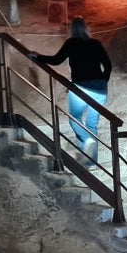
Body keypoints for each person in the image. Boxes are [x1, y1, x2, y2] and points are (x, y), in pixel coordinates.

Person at [29, 17, 112, 165]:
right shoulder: (96, 44)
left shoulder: (71, 43)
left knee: (75, 118)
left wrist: (38, 56)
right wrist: (102, 81)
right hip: (100, 89)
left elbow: (56, 60)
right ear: (87, 28)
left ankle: (86, 142)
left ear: (72, 29)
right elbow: (108, 66)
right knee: (92, 124)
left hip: (81, 87)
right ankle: (90, 163)